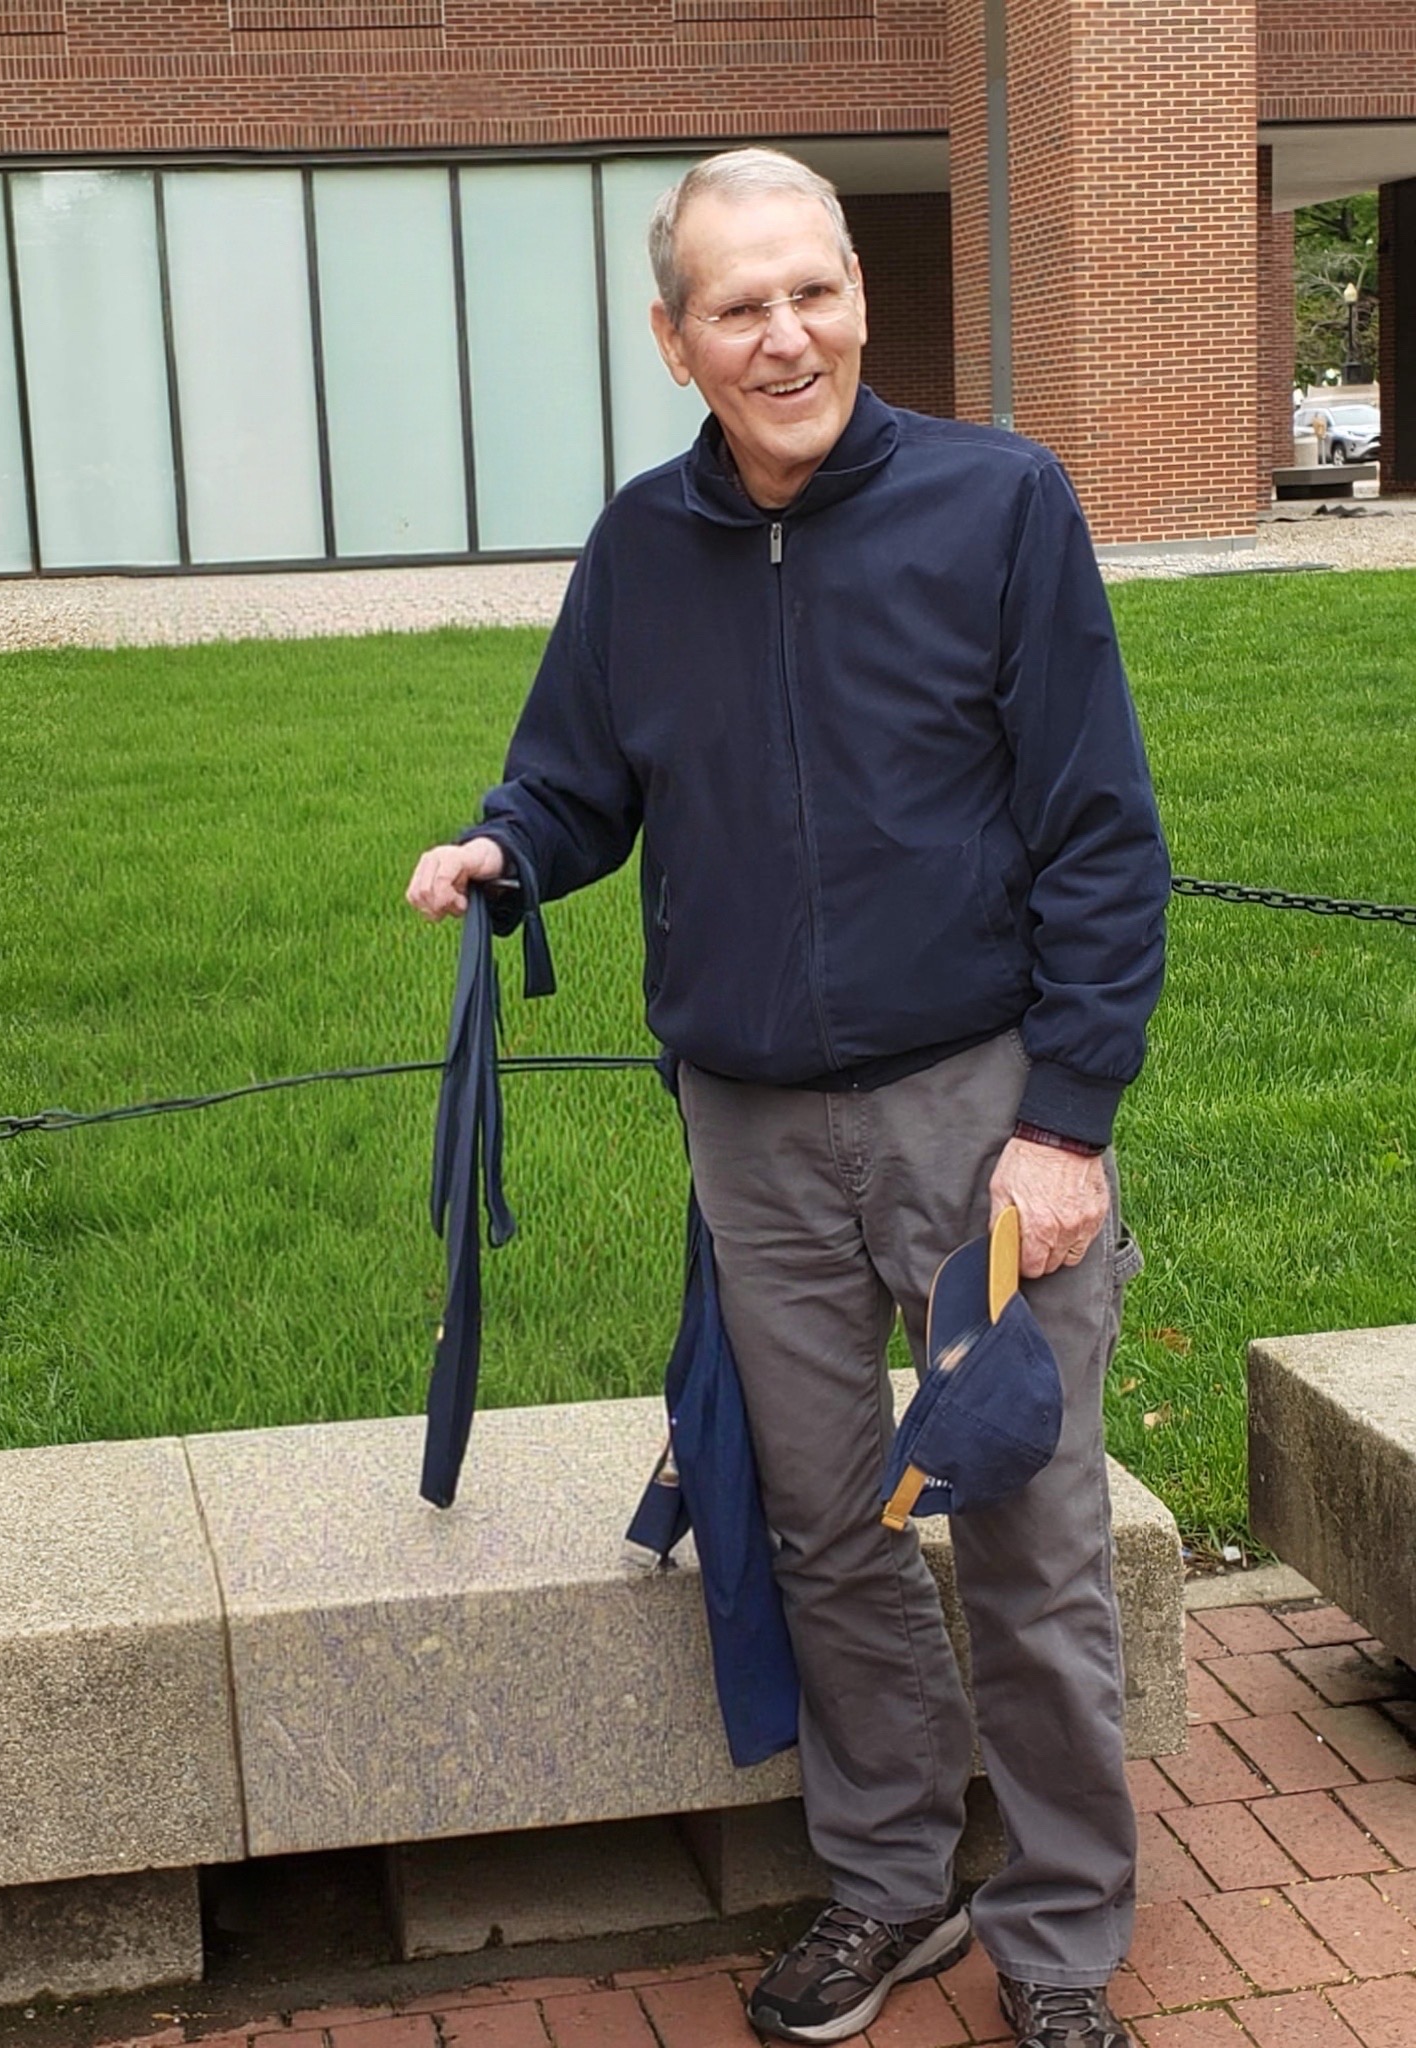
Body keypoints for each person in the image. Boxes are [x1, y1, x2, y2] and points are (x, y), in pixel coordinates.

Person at [407, 148, 1169, 2048]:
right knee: (827, 1529)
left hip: (979, 1112)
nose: (785, 336)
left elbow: (1100, 833)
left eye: (811, 291)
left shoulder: (1001, 506)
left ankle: (1061, 1938)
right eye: (737, 306)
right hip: (750, 1128)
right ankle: (895, 1881)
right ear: (675, 343)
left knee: (1029, 1534)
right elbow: (579, 773)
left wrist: (1067, 1123)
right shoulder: (639, 549)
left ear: (859, 297)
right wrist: (508, 850)